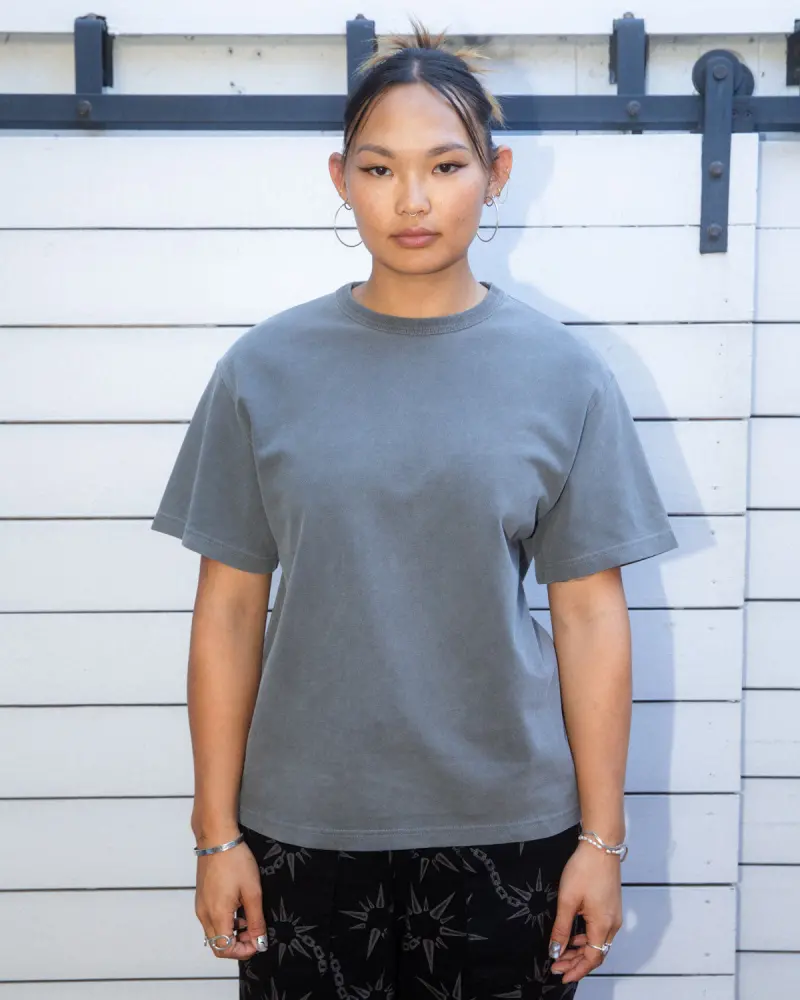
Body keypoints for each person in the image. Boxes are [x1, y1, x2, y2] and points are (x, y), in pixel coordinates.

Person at [150, 17, 679, 999]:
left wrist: (602, 841)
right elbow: (226, 611)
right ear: (339, 178)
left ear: (496, 173)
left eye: (444, 165)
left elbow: (590, 617)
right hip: (300, 838)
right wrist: (214, 833)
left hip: (511, 837)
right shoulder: (262, 371)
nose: (412, 200)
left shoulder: (563, 374)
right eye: (378, 168)